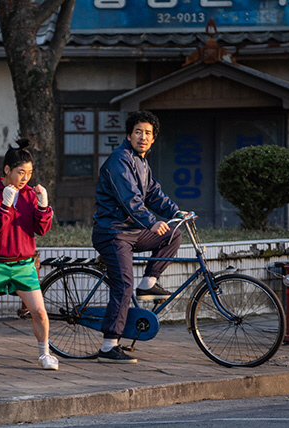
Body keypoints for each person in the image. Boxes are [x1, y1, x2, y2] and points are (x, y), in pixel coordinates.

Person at [92, 110, 186, 364]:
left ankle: (148, 283)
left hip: (131, 232)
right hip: (113, 232)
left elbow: (154, 194)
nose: (143, 137)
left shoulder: (142, 162)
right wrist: (152, 222)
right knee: (123, 285)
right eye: (138, 132)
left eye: (148, 133)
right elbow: (129, 200)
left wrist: (175, 211)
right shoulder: (119, 160)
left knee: (173, 235)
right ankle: (109, 345)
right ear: (128, 135)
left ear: (153, 139)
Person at [0, 139, 59, 370]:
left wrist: (43, 206)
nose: (25, 178)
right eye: (21, 172)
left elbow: (41, 230)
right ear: (7, 170)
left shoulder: (30, 194)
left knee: (39, 311)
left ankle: (45, 354)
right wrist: (5, 205)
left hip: (24, 264)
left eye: (29, 173)